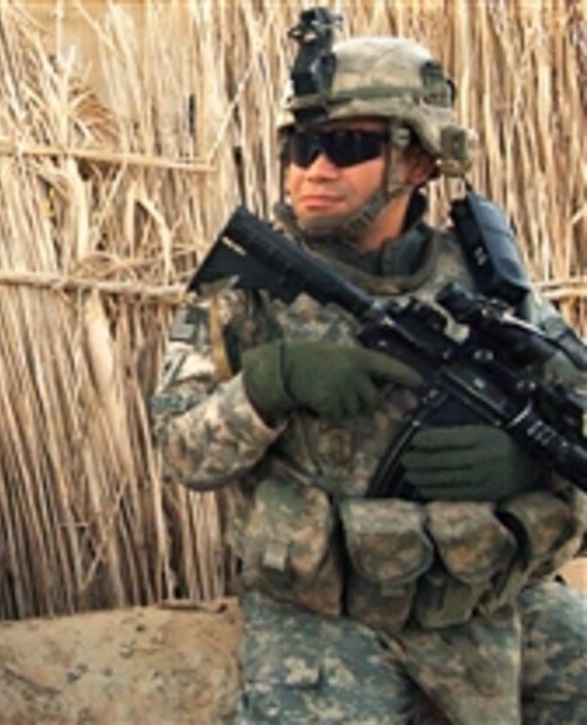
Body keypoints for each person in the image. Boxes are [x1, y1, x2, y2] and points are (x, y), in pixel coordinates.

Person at [151, 13, 587, 724]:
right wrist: (270, 384)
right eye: (301, 144)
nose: (313, 168)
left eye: (347, 145)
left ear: (417, 162)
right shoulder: (250, 286)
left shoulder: (486, 285)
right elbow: (181, 449)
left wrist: (527, 461)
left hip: (482, 593)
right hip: (327, 608)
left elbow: (576, 401)